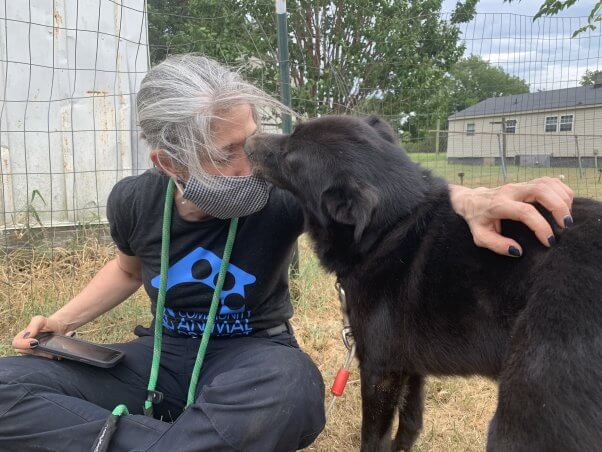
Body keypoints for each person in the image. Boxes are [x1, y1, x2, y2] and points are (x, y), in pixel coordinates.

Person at [0, 54, 573, 452]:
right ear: (171, 165)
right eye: (231, 153)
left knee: (293, 394)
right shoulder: (132, 201)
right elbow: (128, 267)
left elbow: (387, 195)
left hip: (252, 360)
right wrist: (60, 322)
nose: (255, 164)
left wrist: (466, 198)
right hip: (160, 361)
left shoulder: (281, 198)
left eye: (253, 138)